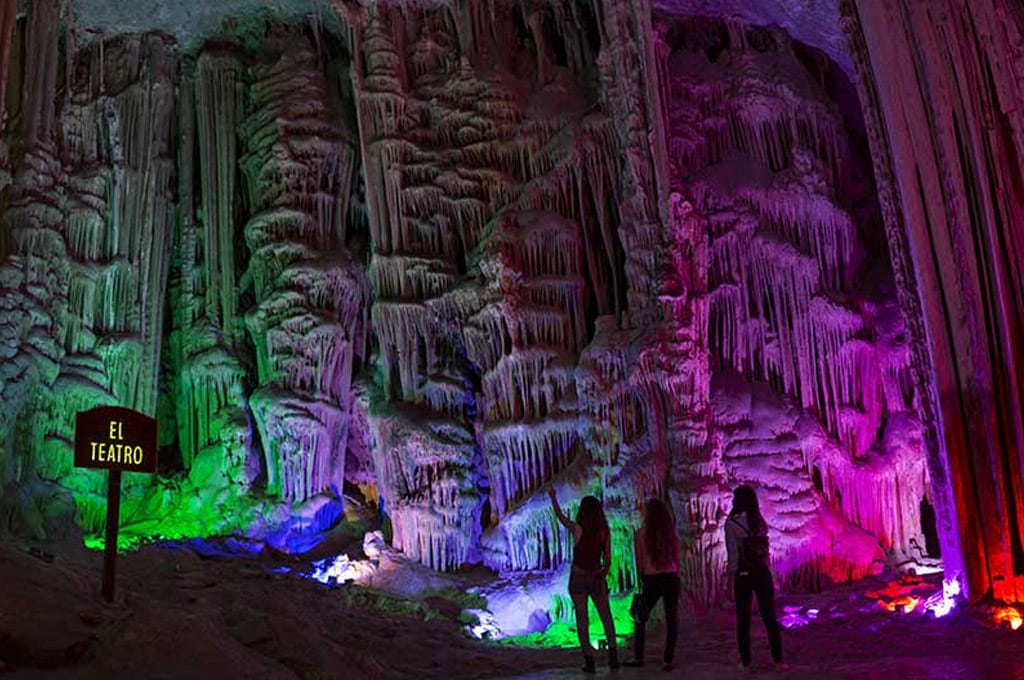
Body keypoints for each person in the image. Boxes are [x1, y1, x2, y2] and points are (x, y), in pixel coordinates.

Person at [548, 488, 619, 673]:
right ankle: (613, 657)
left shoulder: (578, 528)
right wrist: (601, 573)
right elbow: (608, 561)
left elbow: (561, 517)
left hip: (578, 576)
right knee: (606, 616)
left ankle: (589, 661)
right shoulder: (605, 531)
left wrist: (554, 497)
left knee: (582, 619)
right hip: (596, 576)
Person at [726, 485, 785, 671]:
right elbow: (765, 551)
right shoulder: (759, 521)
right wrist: (769, 573)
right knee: (769, 617)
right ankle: (779, 661)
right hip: (761, 572)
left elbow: (733, 555)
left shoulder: (732, 524)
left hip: (743, 575)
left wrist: (731, 578)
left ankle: (746, 662)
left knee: (743, 620)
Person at [624, 497, 681, 671]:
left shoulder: (641, 534)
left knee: (640, 617)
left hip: (652, 579)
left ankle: (639, 657)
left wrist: (642, 579)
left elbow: (639, 562)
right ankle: (668, 660)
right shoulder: (671, 534)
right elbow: (677, 559)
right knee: (672, 619)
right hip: (671, 578)